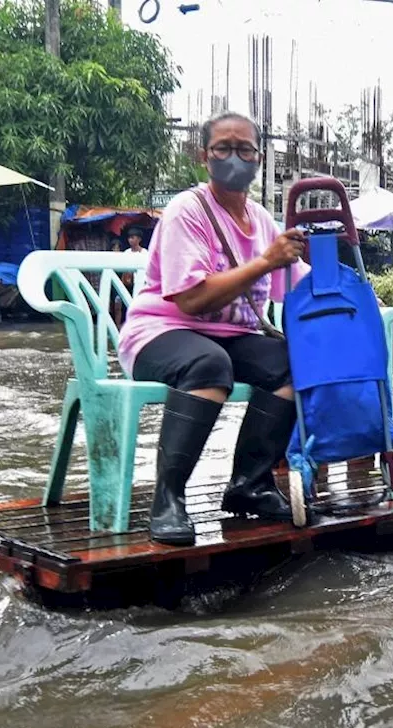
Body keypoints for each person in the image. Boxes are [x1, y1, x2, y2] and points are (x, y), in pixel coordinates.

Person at [118, 112, 307, 546]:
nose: (234, 157)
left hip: (231, 337)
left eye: (245, 149)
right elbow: (192, 299)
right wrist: (264, 262)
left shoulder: (261, 220)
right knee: (208, 364)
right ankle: (168, 499)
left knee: (294, 366)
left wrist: (358, 303)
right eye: (224, 148)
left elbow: (299, 283)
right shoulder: (188, 210)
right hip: (161, 333)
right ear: (205, 156)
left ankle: (250, 486)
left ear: (259, 158)